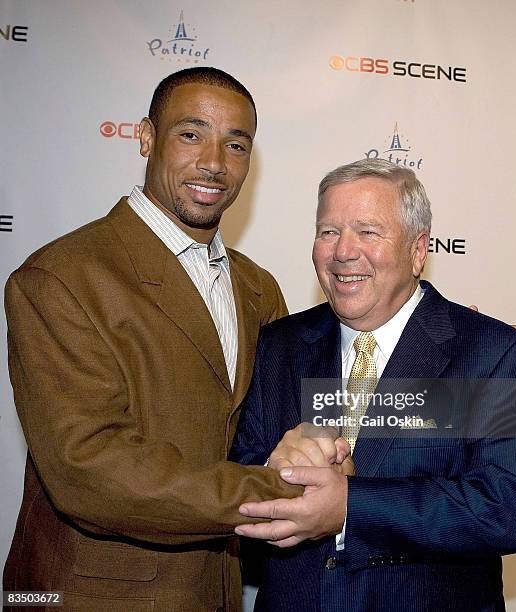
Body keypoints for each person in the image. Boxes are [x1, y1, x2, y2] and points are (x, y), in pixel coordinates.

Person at [3, 67, 335, 612]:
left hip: (222, 589)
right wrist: (285, 494)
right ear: (146, 137)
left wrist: (327, 455)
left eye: (236, 144)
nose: (214, 162)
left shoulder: (256, 287)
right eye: (191, 134)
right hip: (97, 596)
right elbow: (89, 467)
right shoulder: (62, 276)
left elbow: (278, 427)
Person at [230, 158, 516, 611]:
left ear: (418, 251)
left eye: (368, 232)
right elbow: (240, 477)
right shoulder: (281, 343)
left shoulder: (491, 352)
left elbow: (512, 505)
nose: (343, 251)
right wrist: (272, 472)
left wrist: (351, 507)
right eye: (328, 231)